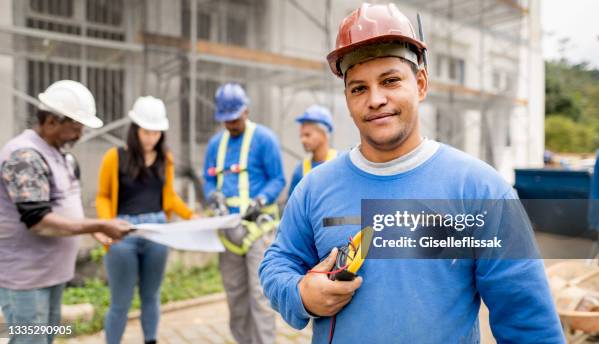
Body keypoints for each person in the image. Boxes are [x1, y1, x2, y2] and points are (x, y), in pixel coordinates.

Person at [259, 3, 564, 343]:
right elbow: (278, 262)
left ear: (420, 84)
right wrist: (300, 293)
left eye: (390, 81)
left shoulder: (480, 190)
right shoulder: (314, 187)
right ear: (346, 98)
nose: (375, 99)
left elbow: (529, 322)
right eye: (358, 88)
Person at [0, 80, 131, 344]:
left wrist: (92, 231)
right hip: (26, 280)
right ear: (50, 122)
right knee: (29, 340)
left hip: (52, 274)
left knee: (45, 338)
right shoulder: (24, 157)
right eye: (76, 127)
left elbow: (65, 208)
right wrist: (99, 225)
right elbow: (38, 221)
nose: (80, 134)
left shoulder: (61, 156)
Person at [95, 96, 196, 344]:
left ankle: (150, 339)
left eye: (157, 132)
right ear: (135, 129)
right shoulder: (114, 157)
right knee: (121, 301)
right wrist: (105, 225)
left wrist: (192, 216)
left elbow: (169, 196)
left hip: (157, 233)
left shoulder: (166, 158)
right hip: (123, 233)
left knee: (151, 295)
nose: (151, 137)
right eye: (146, 131)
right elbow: (103, 196)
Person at [203, 83, 285, 344]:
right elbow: (208, 180)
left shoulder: (264, 139)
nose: (231, 124)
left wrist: (260, 199)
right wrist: (212, 196)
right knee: (235, 296)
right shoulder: (216, 144)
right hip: (228, 231)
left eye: (235, 118)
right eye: (226, 120)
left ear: (246, 110)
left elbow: (278, 178)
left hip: (258, 230)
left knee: (260, 296)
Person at [288, 105, 337, 197]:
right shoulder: (300, 170)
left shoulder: (342, 164)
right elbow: (292, 207)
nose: (303, 140)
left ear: (324, 134)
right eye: (301, 136)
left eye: (307, 135)